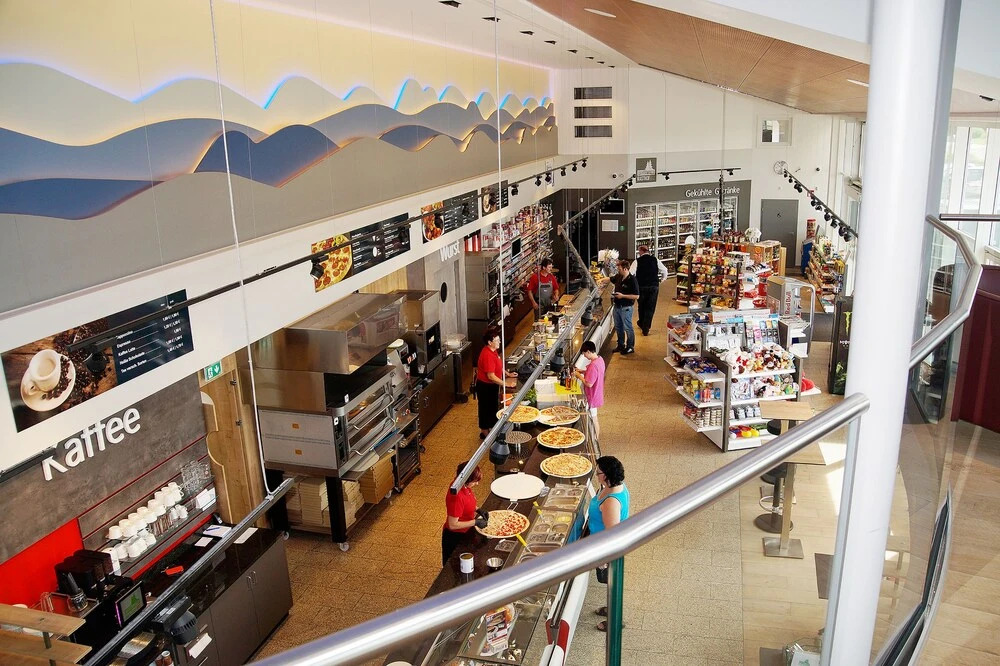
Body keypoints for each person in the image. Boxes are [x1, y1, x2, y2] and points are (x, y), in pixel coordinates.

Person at [588, 455, 630, 631]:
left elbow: (612, 535)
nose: (596, 475)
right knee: (610, 584)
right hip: (600, 546)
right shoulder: (615, 487)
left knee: (612, 585)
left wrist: (605, 560)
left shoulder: (611, 502)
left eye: (598, 473)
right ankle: (610, 609)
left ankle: (614, 621)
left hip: (606, 552)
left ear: (605, 475)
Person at [441, 461, 489, 566]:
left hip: (466, 532)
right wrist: (475, 522)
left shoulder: (463, 486)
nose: (477, 484)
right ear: (466, 480)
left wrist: (478, 509)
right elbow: (453, 525)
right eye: (475, 481)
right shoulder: (457, 496)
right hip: (455, 538)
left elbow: (466, 503)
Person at [476, 326, 516, 439]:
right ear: (490, 342)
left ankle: (492, 429)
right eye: (497, 340)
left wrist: (508, 374)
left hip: (492, 386)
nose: (499, 342)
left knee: (492, 407)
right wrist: (506, 384)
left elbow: (498, 365)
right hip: (485, 387)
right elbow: (491, 376)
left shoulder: (493, 350)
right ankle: (485, 433)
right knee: (485, 409)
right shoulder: (487, 355)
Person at [630, 245, 669, 336]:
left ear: (640, 251)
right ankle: (646, 327)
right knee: (650, 307)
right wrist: (662, 279)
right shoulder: (655, 260)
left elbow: (631, 274)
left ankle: (641, 322)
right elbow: (664, 270)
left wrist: (633, 284)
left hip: (641, 286)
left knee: (641, 305)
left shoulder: (637, 261)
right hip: (653, 286)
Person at [573, 340, 605, 440]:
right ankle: (595, 438)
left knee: (594, 419)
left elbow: (589, 383)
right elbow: (594, 373)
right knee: (594, 418)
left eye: (584, 354)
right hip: (598, 393)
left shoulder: (593, 365)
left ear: (588, 351)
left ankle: (595, 440)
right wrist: (582, 371)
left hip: (592, 396)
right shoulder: (599, 359)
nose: (584, 356)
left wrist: (579, 376)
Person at [610, 259, 639, 354]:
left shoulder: (632, 280)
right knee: (618, 327)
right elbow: (610, 279)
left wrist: (622, 296)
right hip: (617, 306)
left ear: (625, 269)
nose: (618, 271)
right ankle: (620, 345)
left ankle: (630, 347)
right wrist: (600, 280)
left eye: (620, 269)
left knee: (628, 327)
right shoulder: (619, 276)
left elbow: (636, 296)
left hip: (626, 308)